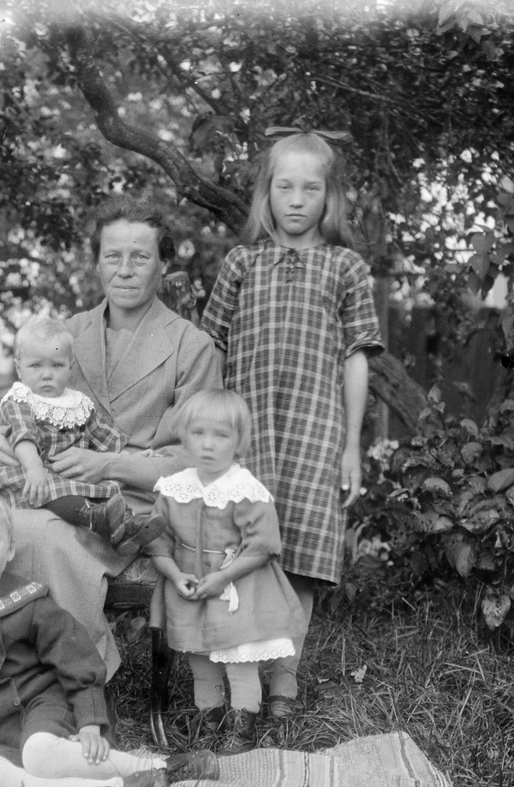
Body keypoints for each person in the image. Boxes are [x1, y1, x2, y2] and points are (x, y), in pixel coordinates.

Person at [0, 198, 222, 681]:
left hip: (128, 503)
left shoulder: (191, 346)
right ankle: (3, 674)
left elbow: (196, 461)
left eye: (141, 256)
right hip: (43, 487)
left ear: (164, 262)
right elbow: (21, 405)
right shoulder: (66, 334)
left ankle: (77, 676)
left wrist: (108, 466)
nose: (125, 270)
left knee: (42, 537)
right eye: (113, 256)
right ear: (97, 262)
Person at [201, 131, 384, 718]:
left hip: (315, 429)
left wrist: (352, 446)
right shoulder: (241, 262)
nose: (297, 199)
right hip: (247, 434)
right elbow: (212, 351)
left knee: (301, 555)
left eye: (312, 188)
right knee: (244, 550)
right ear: (267, 193)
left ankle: (284, 680)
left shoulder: (346, 267)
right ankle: (240, 680)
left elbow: (355, 356)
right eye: (285, 187)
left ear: (328, 197)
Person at [0, 489, 219, 787]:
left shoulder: (29, 599)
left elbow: (75, 656)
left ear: (11, 549)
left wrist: (90, 720)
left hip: (40, 705)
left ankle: (163, 767)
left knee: (40, 754)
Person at [146, 390, 306, 753]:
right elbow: (157, 540)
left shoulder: (244, 490)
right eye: (199, 433)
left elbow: (263, 546)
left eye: (221, 436)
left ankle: (242, 729)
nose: (208, 445)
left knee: (238, 661)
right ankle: (210, 723)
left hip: (237, 588)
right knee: (200, 659)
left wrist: (222, 576)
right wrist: (173, 573)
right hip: (189, 586)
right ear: (184, 436)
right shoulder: (175, 488)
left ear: (239, 442)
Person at [0, 316, 166, 556]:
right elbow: (24, 437)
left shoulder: (78, 403)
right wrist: (35, 469)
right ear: (19, 367)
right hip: (29, 474)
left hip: (67, 477)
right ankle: (95, 518)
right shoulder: (20, 401)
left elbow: (104, 440)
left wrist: (133, 457)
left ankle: (128, 526)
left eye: (56, 366)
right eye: (36, 366)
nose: (47, 375)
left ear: (70, 367)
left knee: (107, 487)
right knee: (56, 488)